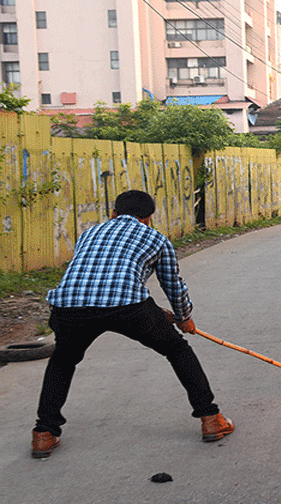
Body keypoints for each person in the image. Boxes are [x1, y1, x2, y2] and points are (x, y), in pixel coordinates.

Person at [31, 190, 233, 458]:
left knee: (62, 360)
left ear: (113, 213)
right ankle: (210, 418)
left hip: (69, 307)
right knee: (177, 349)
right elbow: (172, 285)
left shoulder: (89, 233)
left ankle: (44, 433)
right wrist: (184, 317)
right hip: (128, 308)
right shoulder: (156, 238)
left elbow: (93, 275)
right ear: (148, 218)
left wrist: (152, 309)